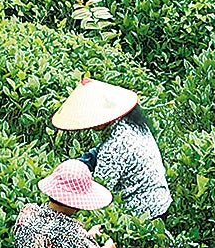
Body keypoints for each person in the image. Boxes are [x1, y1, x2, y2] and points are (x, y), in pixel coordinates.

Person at [52, 79, 170, 220]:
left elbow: (98, 192)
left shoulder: (117, 144)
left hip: (144, 215)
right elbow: (98, 152)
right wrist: (79, 164)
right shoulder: (128, 123)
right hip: (159, 199)